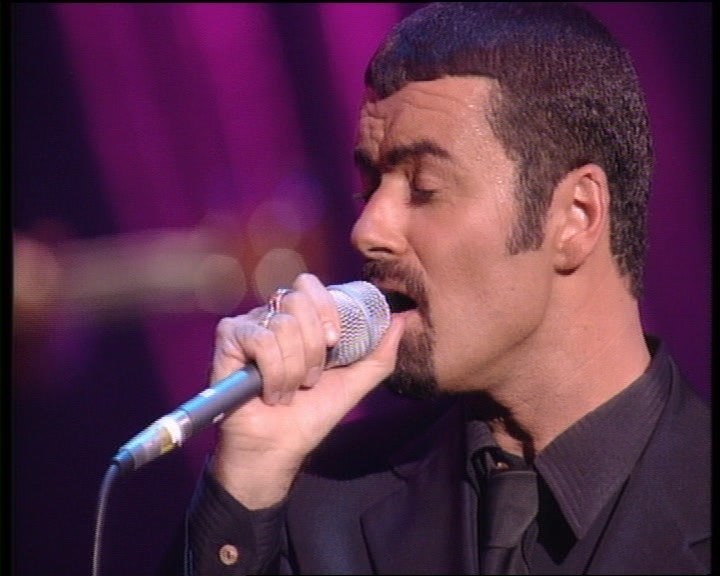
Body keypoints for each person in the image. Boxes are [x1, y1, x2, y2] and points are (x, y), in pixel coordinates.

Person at [158, 3, 711, 574]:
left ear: (575, 215)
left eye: (424, 188)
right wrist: (248, 479)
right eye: (369, 188)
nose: (367, 230)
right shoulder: (309, 507)